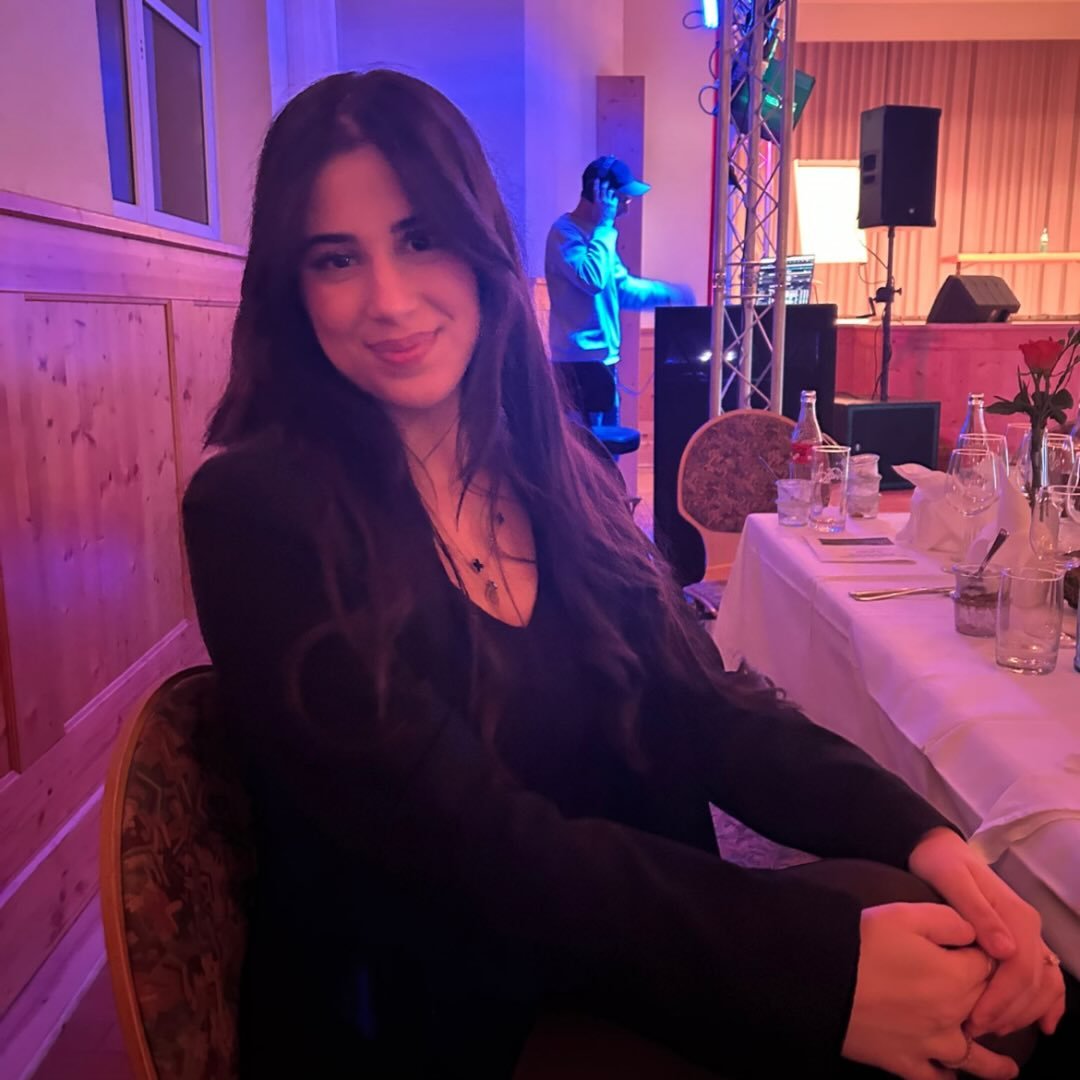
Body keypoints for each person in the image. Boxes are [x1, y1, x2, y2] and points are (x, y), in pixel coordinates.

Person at [182, 69, 1072, 1079]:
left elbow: (703, 707)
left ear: (480, 248)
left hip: (621, 953)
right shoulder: (256, 512)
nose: (388, 299)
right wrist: (819, 977)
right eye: (337, 258)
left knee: (995, 981)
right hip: (441, 1016)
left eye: (420, 238)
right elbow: (468, 846)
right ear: (291, 291)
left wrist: (926, 840)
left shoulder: (551, 468)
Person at [545, 156, 694, 425]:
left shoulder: (599, 237)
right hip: (577, 366)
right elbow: (592, 280)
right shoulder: (565, 233)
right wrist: (605, 226)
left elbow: (622, 288)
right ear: (600, 194)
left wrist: (669, 294)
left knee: (607, 447)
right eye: (623, 197)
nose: (627, 205)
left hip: (602, 363)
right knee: (585, 447)